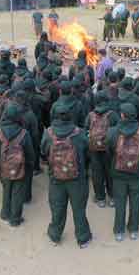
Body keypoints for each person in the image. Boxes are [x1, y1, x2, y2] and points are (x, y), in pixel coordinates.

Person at [41, 104, 92, 248]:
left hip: (56, 178)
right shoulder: (80, 133)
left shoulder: (48, 134)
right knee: (79, 209)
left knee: (57, 208)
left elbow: (44, 152)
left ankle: (55, 236)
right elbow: (88, 154)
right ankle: (83, 238)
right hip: (77, 179)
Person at [105, 103, 139, 241]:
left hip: (118, 173)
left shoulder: (112, 132)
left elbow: (109, 152)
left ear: (122, 115)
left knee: (120, 202)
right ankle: (134, 230)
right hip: (137, 172)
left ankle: (119, 231)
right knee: (135, 201)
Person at [0, 104, 35, 227]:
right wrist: (29, 166)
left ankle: (5, 214)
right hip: (20, 167)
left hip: (3, 167)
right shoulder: (23, 133)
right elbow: (30, 153)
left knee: (6, 189)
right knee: (17, 192)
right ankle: (15, 219)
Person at [85, 91, 120, 208]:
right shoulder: (113, 115)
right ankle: (113, 197)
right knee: (110, 172)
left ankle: (100, 198)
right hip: (109, 150)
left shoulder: (90, 115)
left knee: (97, 173)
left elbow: (86, 130)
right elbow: (117, 131)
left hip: (94, 149)